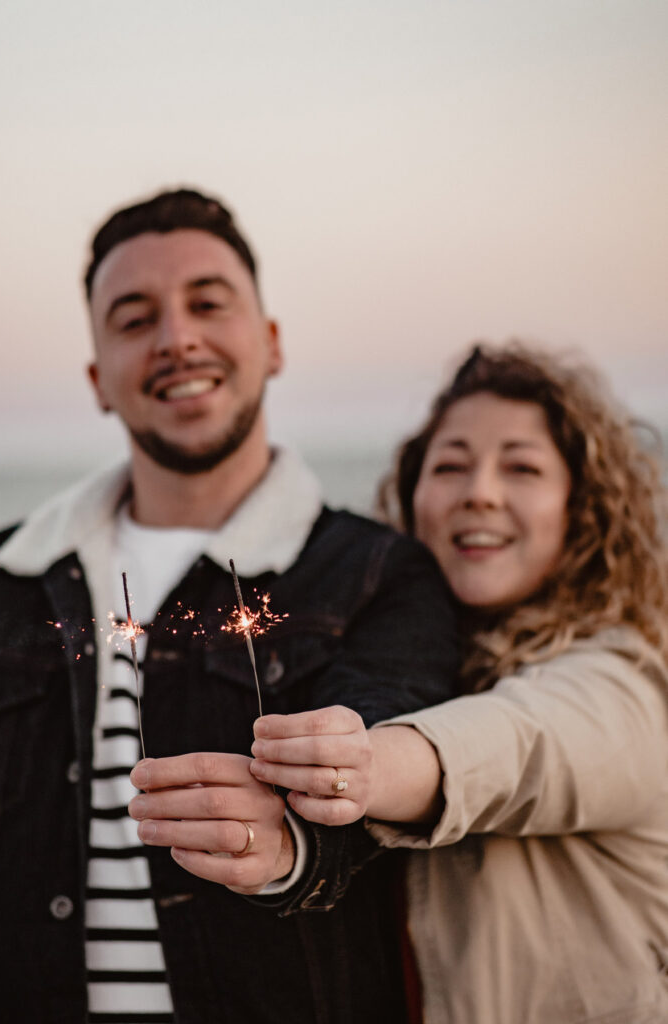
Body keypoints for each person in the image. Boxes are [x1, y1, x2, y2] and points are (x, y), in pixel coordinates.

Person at [0, 188, 459, 1023]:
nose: (176, 338)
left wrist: (291, 840)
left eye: (207, 302)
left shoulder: (380, 572)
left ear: (271, 344)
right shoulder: (1, 577)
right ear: (98, 379)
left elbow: (392, 746)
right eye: (134, 319)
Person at [249, 343, 668, 1023]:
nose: (479, 490)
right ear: (413, 501)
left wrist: (369, 764)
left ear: (582, 509)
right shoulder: (407, 672)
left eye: (522, 466)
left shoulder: (623, 678)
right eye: (449, 465)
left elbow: (522, 743)